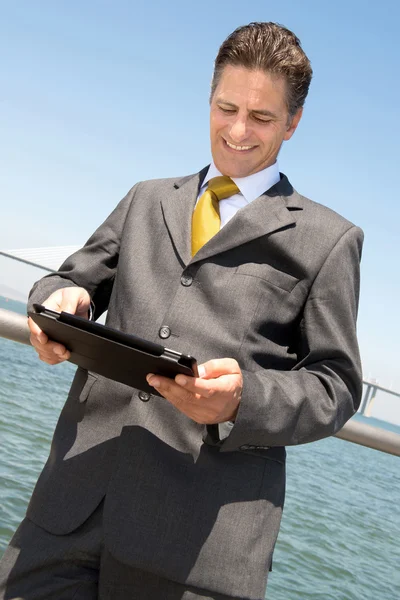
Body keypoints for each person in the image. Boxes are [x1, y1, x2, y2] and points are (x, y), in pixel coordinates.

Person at [0, 22, 363, 600]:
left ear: (293, 123)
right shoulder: (146, 198)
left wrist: (243, 398)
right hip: (66, 514)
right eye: (227, 108)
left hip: (198, 548)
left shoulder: (329, 241)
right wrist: (56, 303)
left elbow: (337, 387)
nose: (239, 131)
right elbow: (69, 281)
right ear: (210, 98)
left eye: (263, 118)